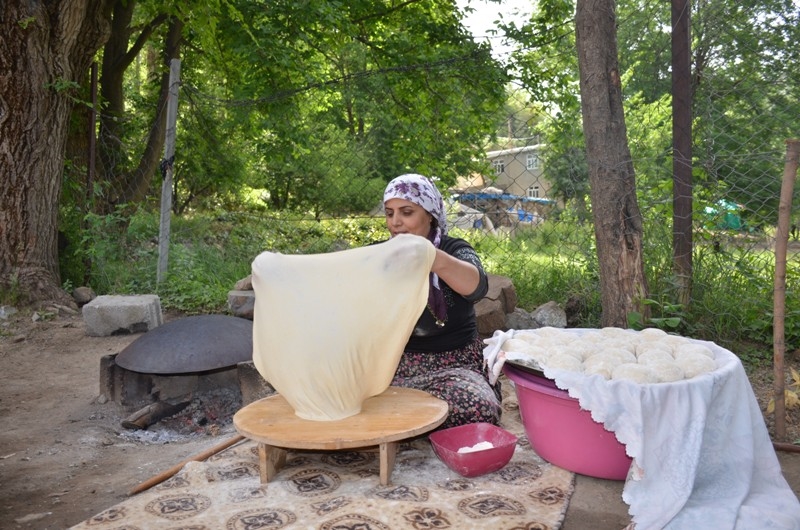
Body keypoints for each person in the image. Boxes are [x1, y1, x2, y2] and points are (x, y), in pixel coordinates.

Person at [382, 173, 502, 429]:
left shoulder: (453, 249)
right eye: (390, 213)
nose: (396, 223)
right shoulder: (379, 255)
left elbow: (476, 287)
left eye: (406, 212)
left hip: (452, 366)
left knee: (478, 406)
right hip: (391, 367)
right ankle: (414, 417)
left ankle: (401, 419)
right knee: (331, 391)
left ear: (430, 215)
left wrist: (429, 257)